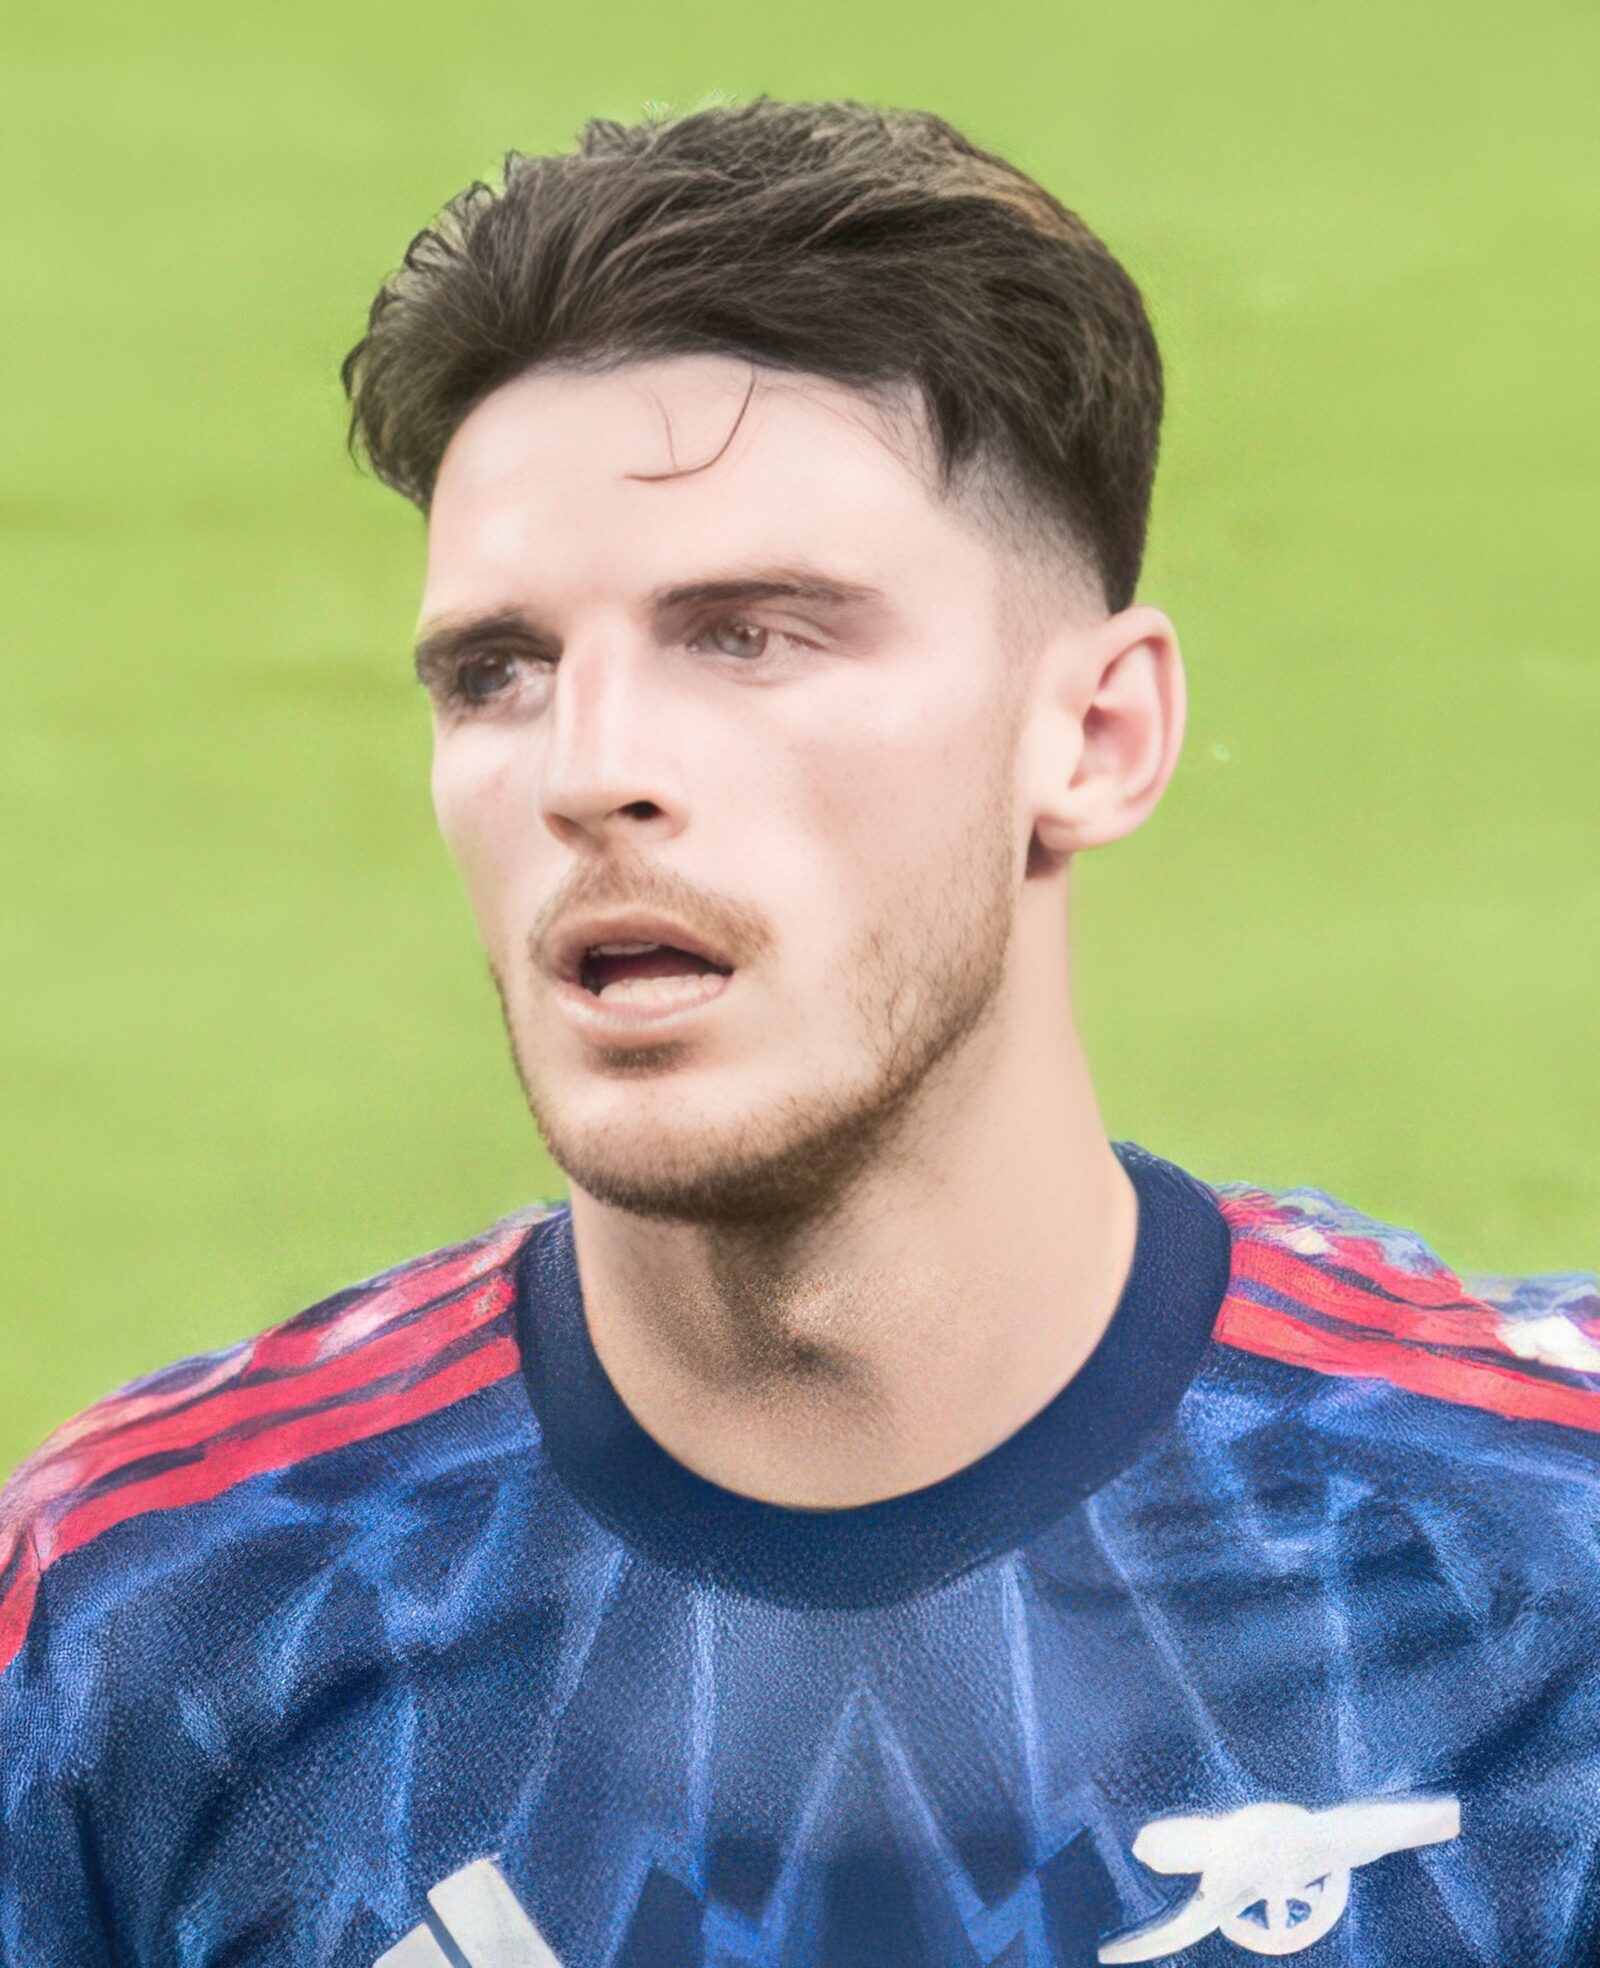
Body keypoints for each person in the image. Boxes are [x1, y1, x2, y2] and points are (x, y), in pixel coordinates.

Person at [1, 97, 1596, 1968]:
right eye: (499, 672)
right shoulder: (154, 1613)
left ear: (1095, 737)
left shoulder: (1547, 1555)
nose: (592, 769)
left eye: (749, 636)